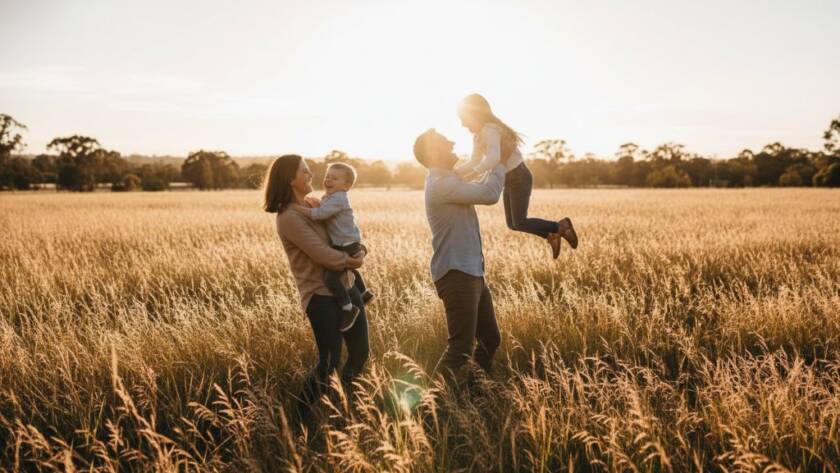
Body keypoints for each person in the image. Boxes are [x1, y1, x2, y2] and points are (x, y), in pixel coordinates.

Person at [263, 154, 369, 421]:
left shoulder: (314, 203)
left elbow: (340, 230)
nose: (312, 175)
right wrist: (351, 260)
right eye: (305, 171)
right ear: (290, 179)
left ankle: (343, 410)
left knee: (360, 352)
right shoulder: (288, 217)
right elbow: (321, 254)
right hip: (321, 297)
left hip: (346, 287)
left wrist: (356, 249)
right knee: (329, 363)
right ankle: (297, 419)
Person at [413, 128, 503, 386]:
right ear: (434, 153)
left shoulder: (450, 178)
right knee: (460, 349)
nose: (452, 141)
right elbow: (489, 194)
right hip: (457, 274)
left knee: (489, 340)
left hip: (471, 272)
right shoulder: (443, 185)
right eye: (445, 141)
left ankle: (476, 393)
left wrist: (482, 151)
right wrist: (501, 162)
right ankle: (430, 408)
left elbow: (474, 169)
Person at [456, 93, 579, 259]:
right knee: (513, 224)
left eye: (463, 118)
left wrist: (473, 175)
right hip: (509, 179)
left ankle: (560, 226)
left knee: (520, 221)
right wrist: (455, 173)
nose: (462, 123)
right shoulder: (478, 135)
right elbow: (473, 161)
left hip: (519, 176)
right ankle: (551, 236)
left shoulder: (490, 129)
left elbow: (493, 158)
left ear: (474, 115)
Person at [293, 162, 374, 333]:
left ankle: (348, 308)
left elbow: (320, 214)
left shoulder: (339, 198)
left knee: (330, 278)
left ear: (346, 186)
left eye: (334, 178)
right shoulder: (331, 197)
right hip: (347, 243)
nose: (328, 180)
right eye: (327, 176)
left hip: (346, 245)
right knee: (348, 268)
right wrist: (315, 202)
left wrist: (299, 210)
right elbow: (322, 209)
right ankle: (364, 292)